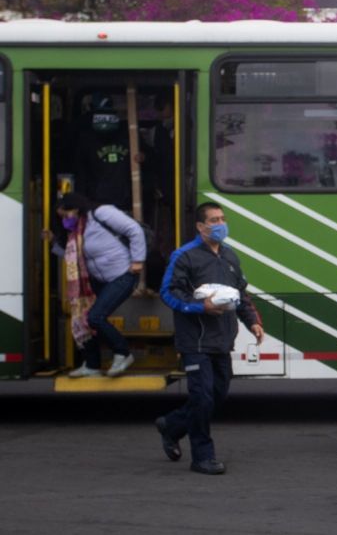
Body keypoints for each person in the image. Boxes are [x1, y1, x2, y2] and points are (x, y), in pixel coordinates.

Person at [154, 202, 264, 475]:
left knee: (217, 394)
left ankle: (173, 425)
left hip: (222, 341)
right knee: (202, 397)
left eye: (222, 218)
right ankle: (203, 457)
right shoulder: (184, 256)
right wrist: (199, 307)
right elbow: (168, 293)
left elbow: (240, 295)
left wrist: (253, 322)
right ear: (200, 226)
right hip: (195, 341)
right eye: (214, 220)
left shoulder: (229, 256)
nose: (220, 224)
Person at [47, 193, 145, 377]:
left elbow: (134, 230)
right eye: (62, 218)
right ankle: (92, 364)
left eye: (66, 215)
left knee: (95, 316)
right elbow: (72, 256)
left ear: (75, 208)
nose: (66, 220)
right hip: (98, 280)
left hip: (123, 274)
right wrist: (53, 241)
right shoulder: (78, 230)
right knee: (84, 319)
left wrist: (138, 260)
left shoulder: (101, 213)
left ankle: (123, 353)